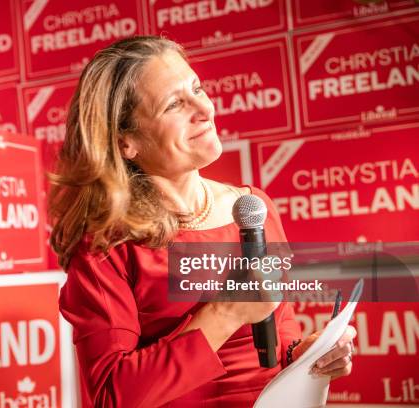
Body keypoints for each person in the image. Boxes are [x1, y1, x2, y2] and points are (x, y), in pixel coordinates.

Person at [48, 36, 356, 407]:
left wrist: (309, 357)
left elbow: (279, 343)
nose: (204, 109)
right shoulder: (105, 245)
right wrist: (226, 311)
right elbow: (112, 396)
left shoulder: (253, 207)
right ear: (127, 141)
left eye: (198, 89)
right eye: (175, 104)